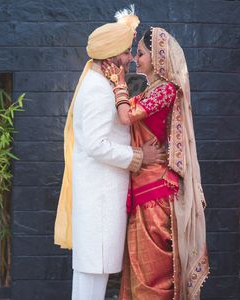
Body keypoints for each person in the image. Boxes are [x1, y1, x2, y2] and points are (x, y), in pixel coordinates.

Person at [54, 6, 165, 300]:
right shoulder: (96, 89)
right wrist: (139, 156)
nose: (130, 58)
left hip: (101, 202)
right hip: (99, 203)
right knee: (92, 280)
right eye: (127, 53)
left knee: (92, 279)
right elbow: (95, 144)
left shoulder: (103, 84)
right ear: (112, 54)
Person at [102, 27, 209, 299]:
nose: (136, 59)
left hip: (155, 194)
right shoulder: (153, 90)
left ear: (159, 57)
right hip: (144, 188)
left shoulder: (167, 90)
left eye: (141, 54)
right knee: (140, 271)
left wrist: (118, 82)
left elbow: (128, 117)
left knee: (152, 276)